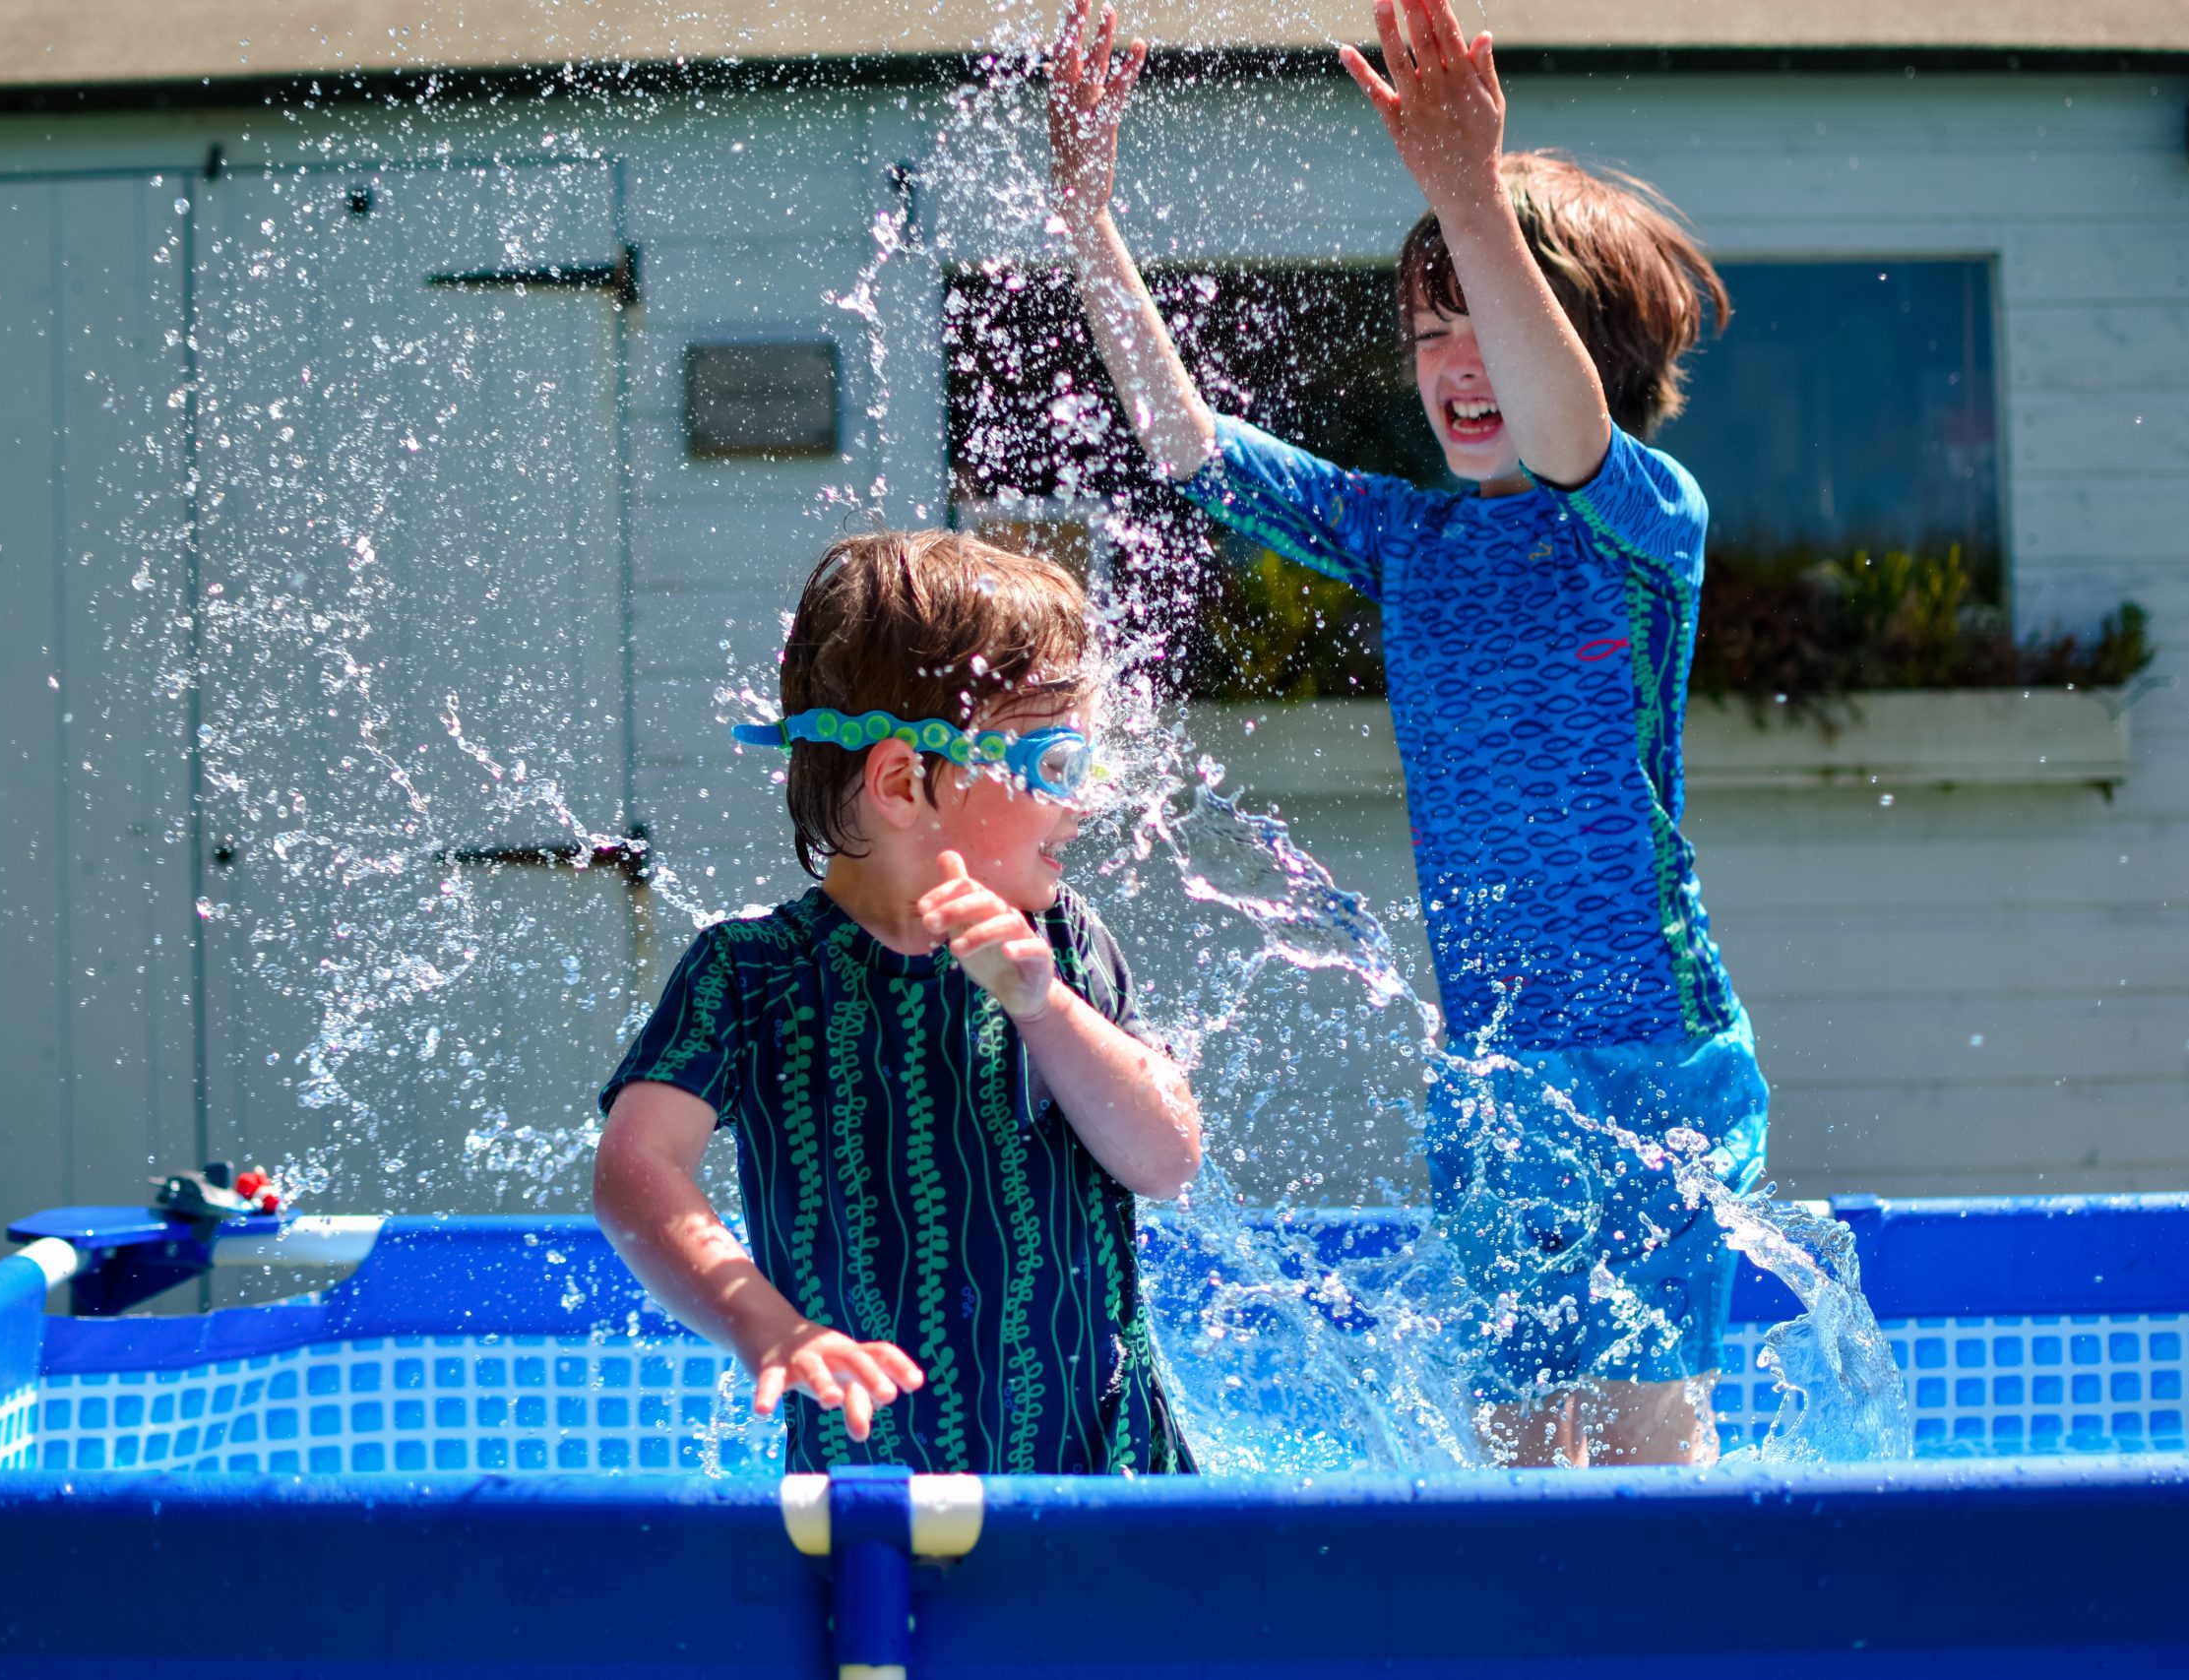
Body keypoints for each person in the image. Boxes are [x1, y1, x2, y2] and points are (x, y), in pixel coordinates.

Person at [1048, 0, 1763, 1465]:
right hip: (1499, 1069)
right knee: (1517, 1460)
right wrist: (1088, 225)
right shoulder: (1408, 535)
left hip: (1655, 1053)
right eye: (1427, 329)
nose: (1452, 357)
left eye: (1482, 319)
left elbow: (1566, 439)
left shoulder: (1641, 525)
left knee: (1645, 1451)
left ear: (1586, 346)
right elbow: (1188, 446)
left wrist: (1466, 198)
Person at [594, 529, 1203, 1473]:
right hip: (872, 1499)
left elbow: (1167, 1158)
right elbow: (635, 1170)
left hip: (1111, 1480)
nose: (1081, 808)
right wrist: (769, 1326)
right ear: (900, 780)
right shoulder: (752, 975)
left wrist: (1044, 1010)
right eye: (1055, 768)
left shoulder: (1061, 945)